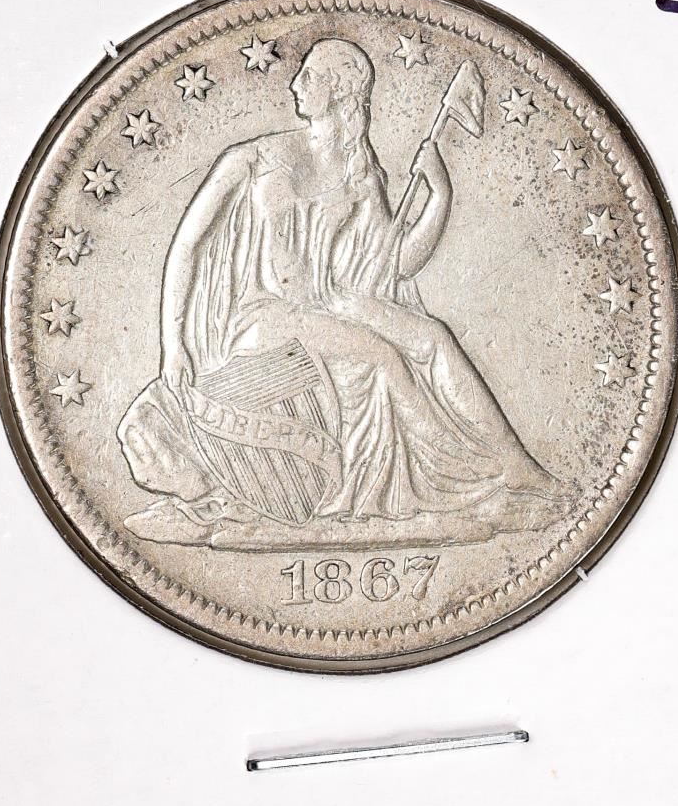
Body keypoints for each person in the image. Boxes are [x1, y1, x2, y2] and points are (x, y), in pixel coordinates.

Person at [118, 38, 563, 531]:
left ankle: (515, 467)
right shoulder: (251, 159)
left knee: (433, 336)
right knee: (383, 357)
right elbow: (187, 246)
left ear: (338, 90)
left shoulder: (360, 171)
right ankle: (462, 482)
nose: (295, 83)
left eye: (308, 75)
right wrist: (173, 345)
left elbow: (397, 263)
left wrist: (440, 195)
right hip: (267, 316)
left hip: (331, 303)